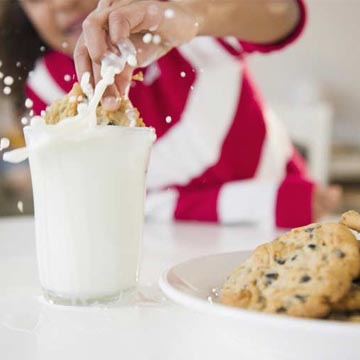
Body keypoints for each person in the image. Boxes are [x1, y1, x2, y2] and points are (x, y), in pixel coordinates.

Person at [0, 0, 341, 228]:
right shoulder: (46, 89)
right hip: (164, 254)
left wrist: (194, 16)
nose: (62, 2)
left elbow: (281, 13)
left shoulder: (179, 32)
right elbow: (122, 206)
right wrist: (260, 202)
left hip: (288, 223)